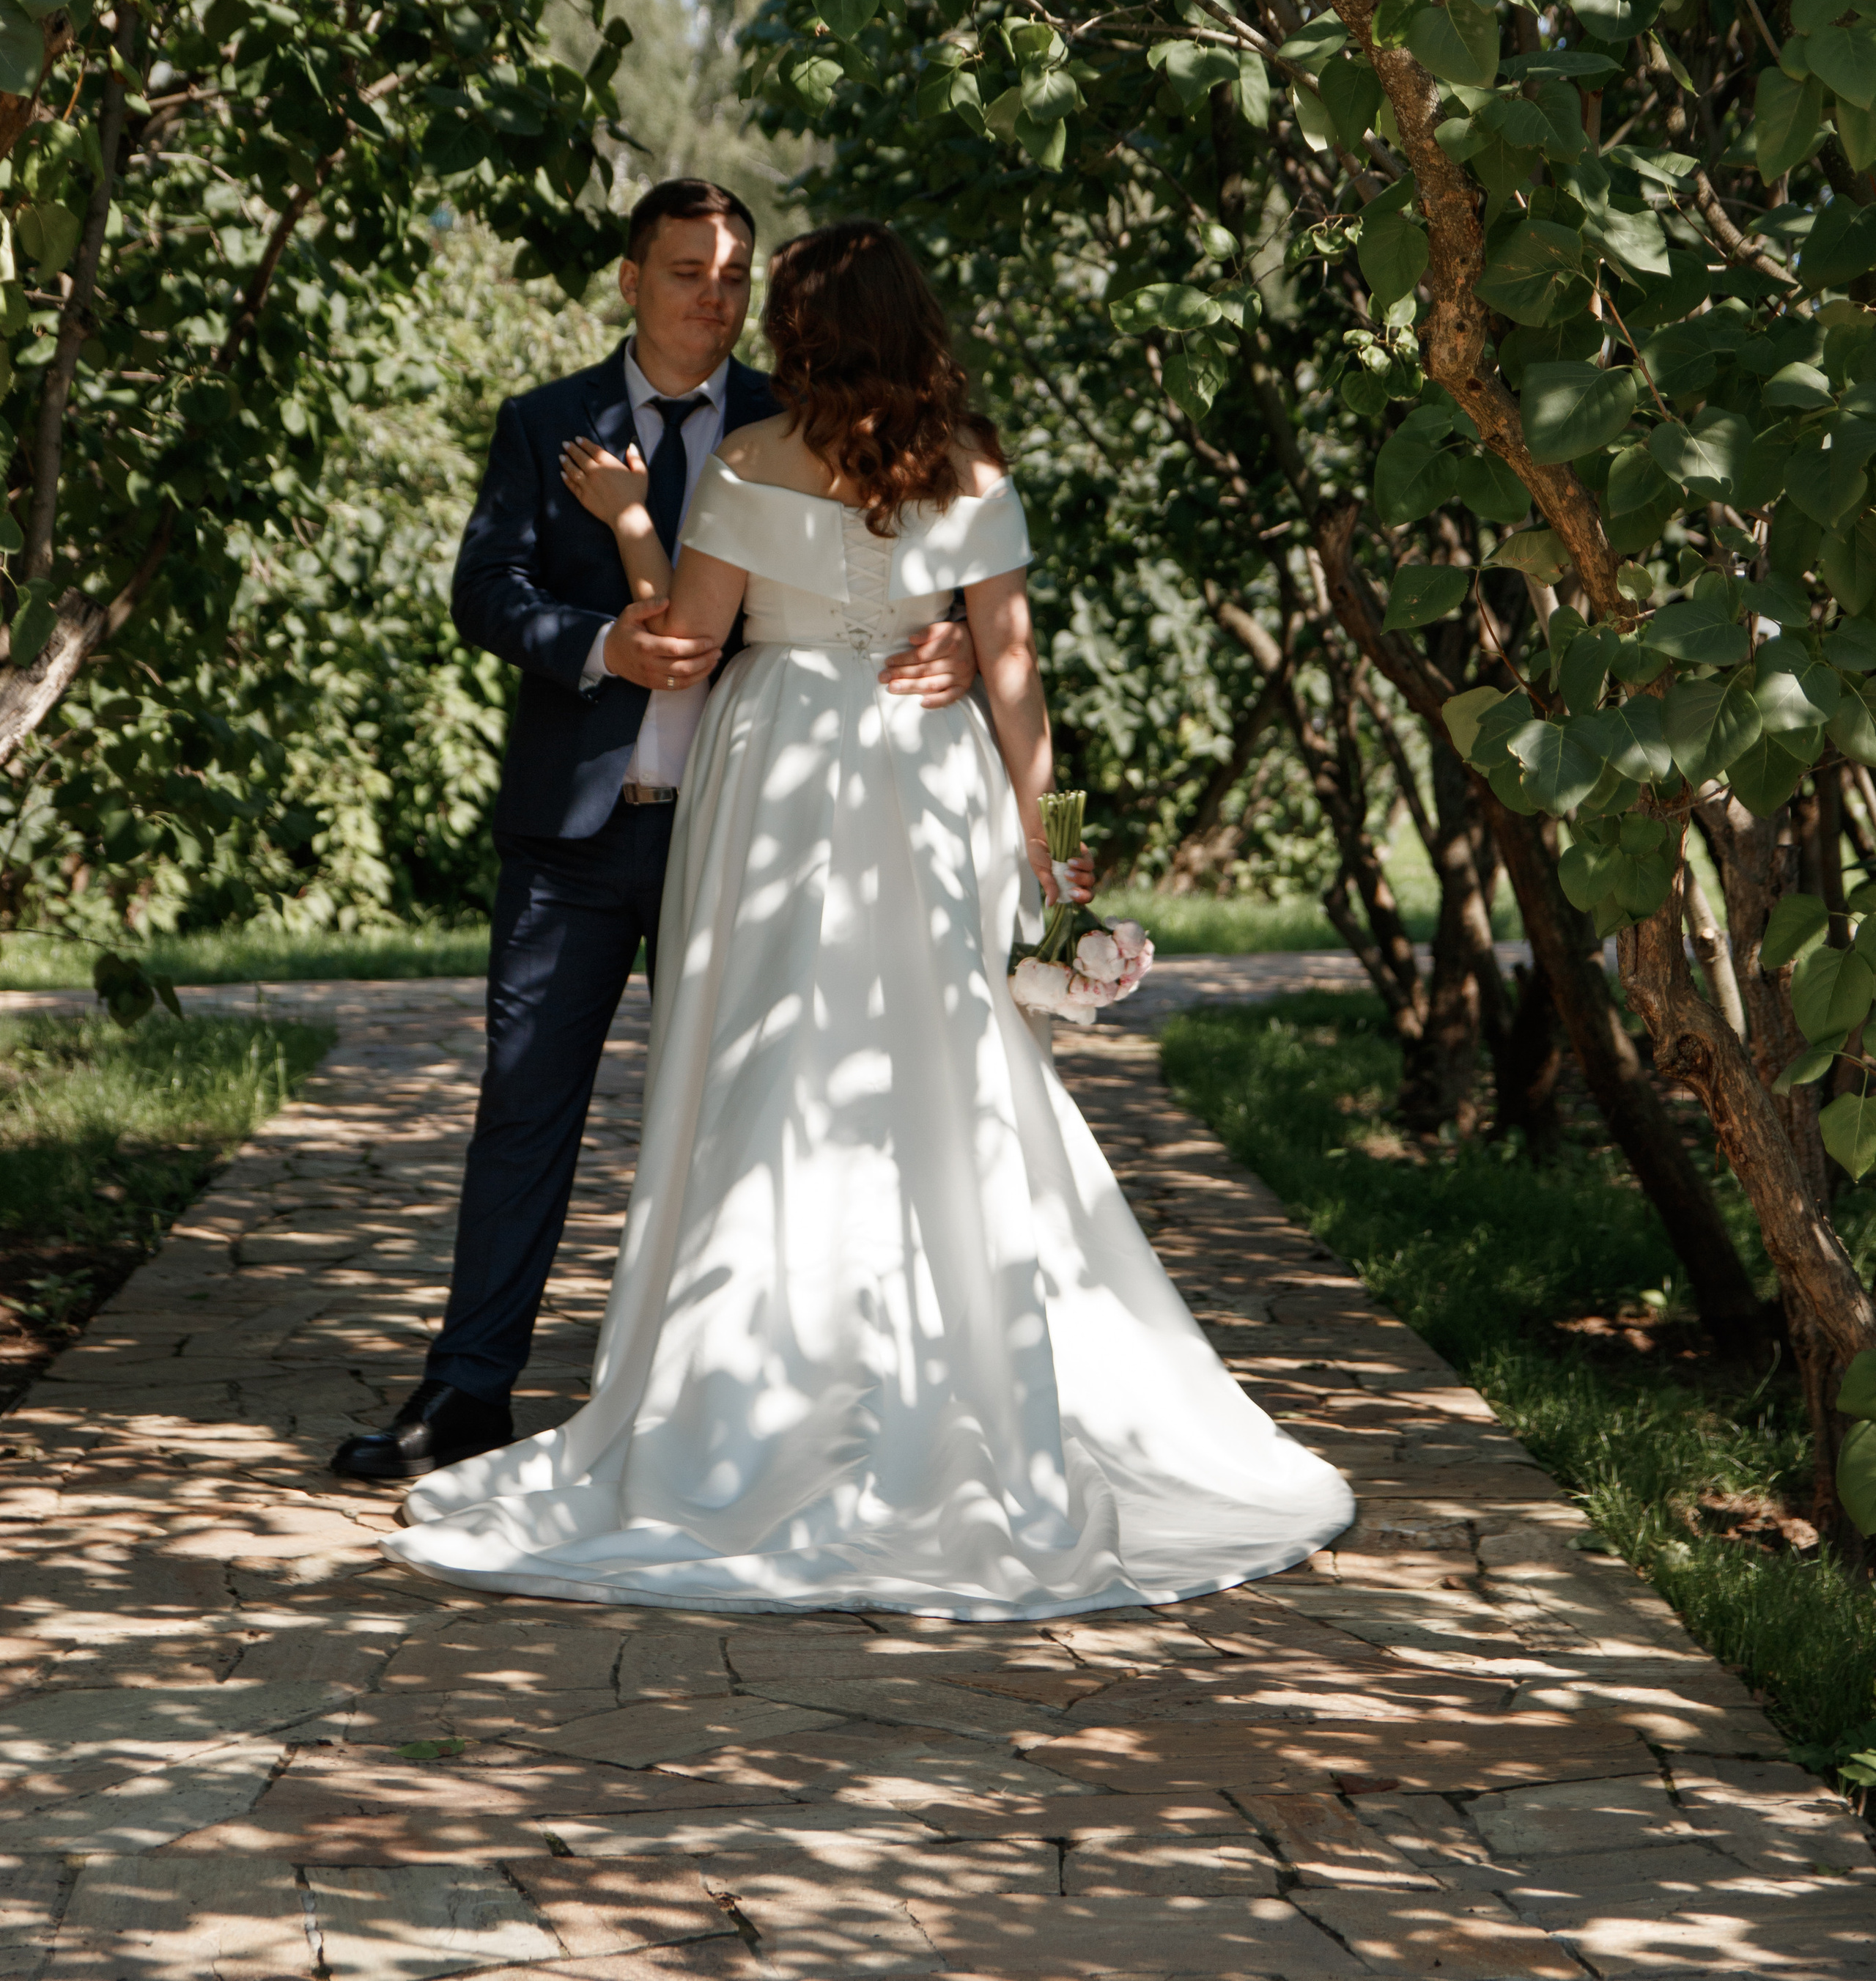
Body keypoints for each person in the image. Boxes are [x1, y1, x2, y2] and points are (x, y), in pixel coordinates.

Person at [387, 220, 1354, 1615]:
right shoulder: (973, 465)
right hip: (928, 781)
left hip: (777, 779)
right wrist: (1055, 860)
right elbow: (1015, 676)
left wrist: (635, 529)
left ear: (804, 330)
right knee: (944, 1066)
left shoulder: (746, 461)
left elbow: (689, 649)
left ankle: (745, 1389)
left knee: (766, 1071)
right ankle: (949, 1365)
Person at [331, 181, 980, 1486]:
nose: (714, 297)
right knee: (525, 1110)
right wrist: (598, 644)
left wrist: (945, 636)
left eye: (734, 276)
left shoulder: (797, 422)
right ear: (631, 280)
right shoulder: (542, 423)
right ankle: (467, 1392)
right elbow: (485, 592)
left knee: (740, 1114)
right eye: (687, 271)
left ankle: (722, 1391)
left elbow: (906, 562)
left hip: (745, 841)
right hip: (576, 832)